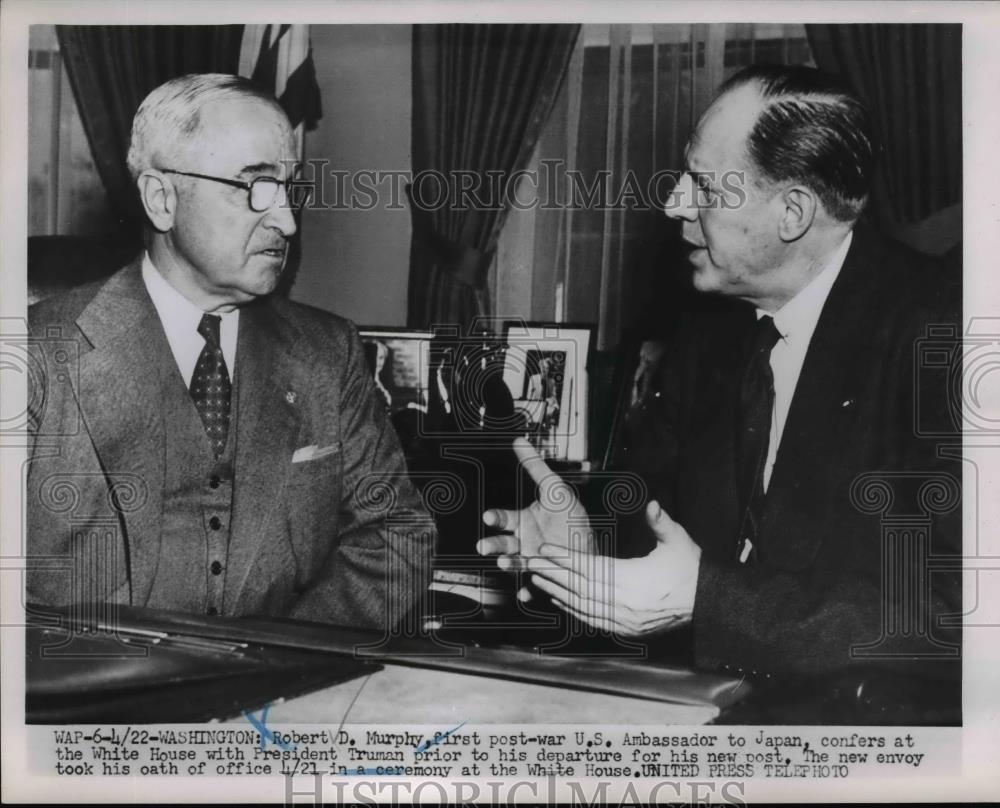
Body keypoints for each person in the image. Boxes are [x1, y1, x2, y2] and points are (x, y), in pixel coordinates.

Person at [479, 65, 961, 702]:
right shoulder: (708, 331)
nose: (673, 202)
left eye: (702, 185)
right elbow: (661, 527)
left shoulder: (947, 335)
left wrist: (709, 602)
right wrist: (590, 543)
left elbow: (952, 615)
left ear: (792, 212)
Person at [26, 74, 434, 630]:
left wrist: (281, 658)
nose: (287, 221)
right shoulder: (35, 356)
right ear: (161, 199)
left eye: (290, 188)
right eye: (255, 187)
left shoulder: (327, 352)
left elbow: (396, 532)